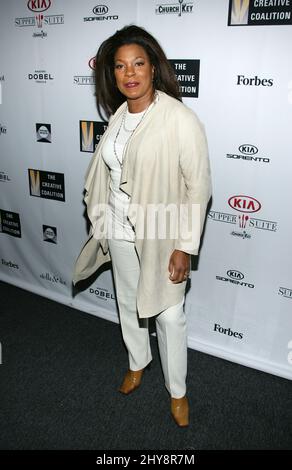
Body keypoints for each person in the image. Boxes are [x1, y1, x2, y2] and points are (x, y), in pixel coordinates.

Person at [73, 25, 211, 427]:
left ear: (153, 68)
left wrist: (184, 245)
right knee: (129, 301)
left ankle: (178, 391)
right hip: (118, 226)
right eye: (120, 66)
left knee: (169, 316)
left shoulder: (179, 119)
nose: (129, 73)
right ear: (111, 74)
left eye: (137, 63)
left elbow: (198, 188)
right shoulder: (118, 116)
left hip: (162, 232)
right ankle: (137, 362)